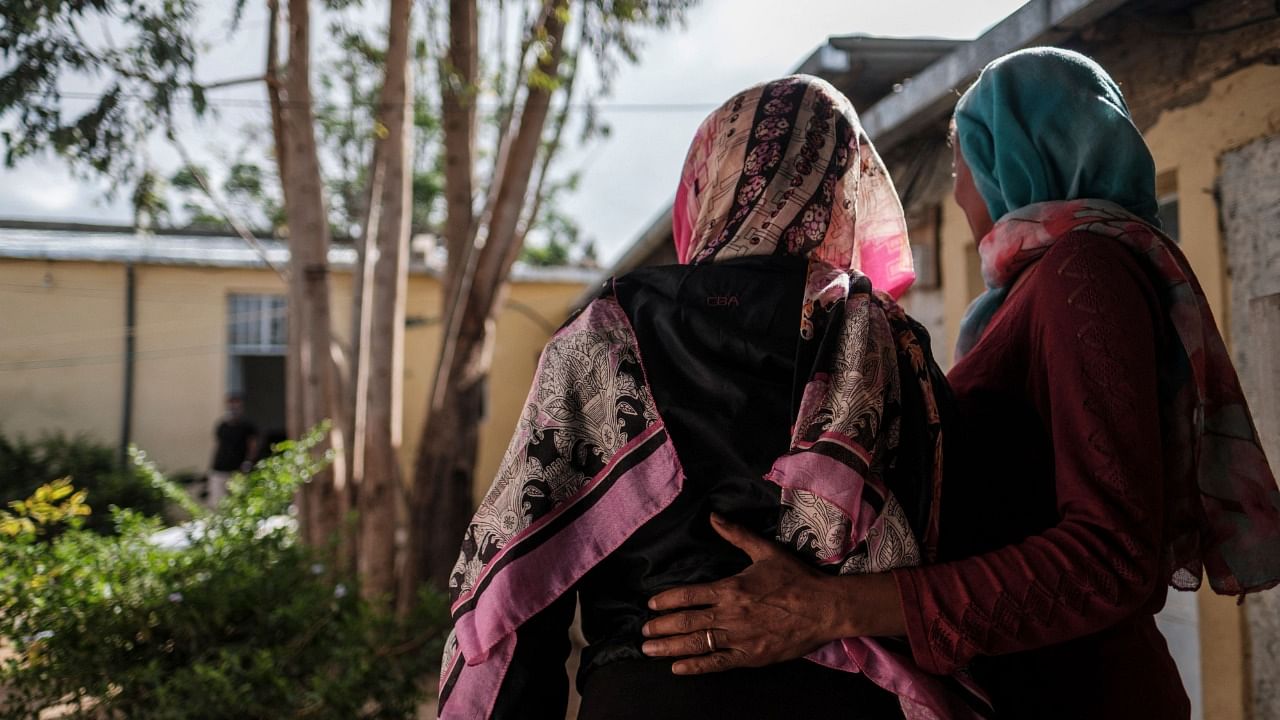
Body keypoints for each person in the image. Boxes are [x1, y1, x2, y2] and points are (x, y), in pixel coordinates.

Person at [641, 48, 1280, 719]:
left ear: (1014, 157)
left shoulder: (1085, 273)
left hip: (1082, 693)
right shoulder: (1032, 295)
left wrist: (825, 609)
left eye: (961, 164)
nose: (957, 193)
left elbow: (1109, 556)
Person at [437, 75, 989, 719]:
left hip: (647, 698)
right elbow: (959, 562)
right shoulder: (885, 342)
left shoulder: (608, 332)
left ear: (711, 178)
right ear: (845, 191)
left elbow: (516, 596)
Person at [207, 394, 258, 505]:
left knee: (238, 502)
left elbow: (252, 447)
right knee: (217, 503)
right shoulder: (222, 426)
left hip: (237, 470)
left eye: (236, 407)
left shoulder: (247, 427)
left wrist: (248, 463)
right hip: (219, 469)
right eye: (231, 407)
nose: (233, 410)